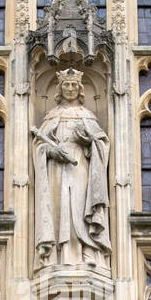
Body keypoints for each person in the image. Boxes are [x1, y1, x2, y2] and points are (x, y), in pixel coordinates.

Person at [32, 68, 111, 270]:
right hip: (56, 168)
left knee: (80, 205)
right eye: (66, 85)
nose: (69, 88)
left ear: (80, 88)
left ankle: (87, 251)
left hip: (81, 166)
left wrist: (89, 142)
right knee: (61, 208)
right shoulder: (52, 115)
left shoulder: (87, 115)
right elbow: (38, 145)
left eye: (73, 85)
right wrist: (50, 151)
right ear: (59, 88)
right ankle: (60, 256)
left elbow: (102, 143)